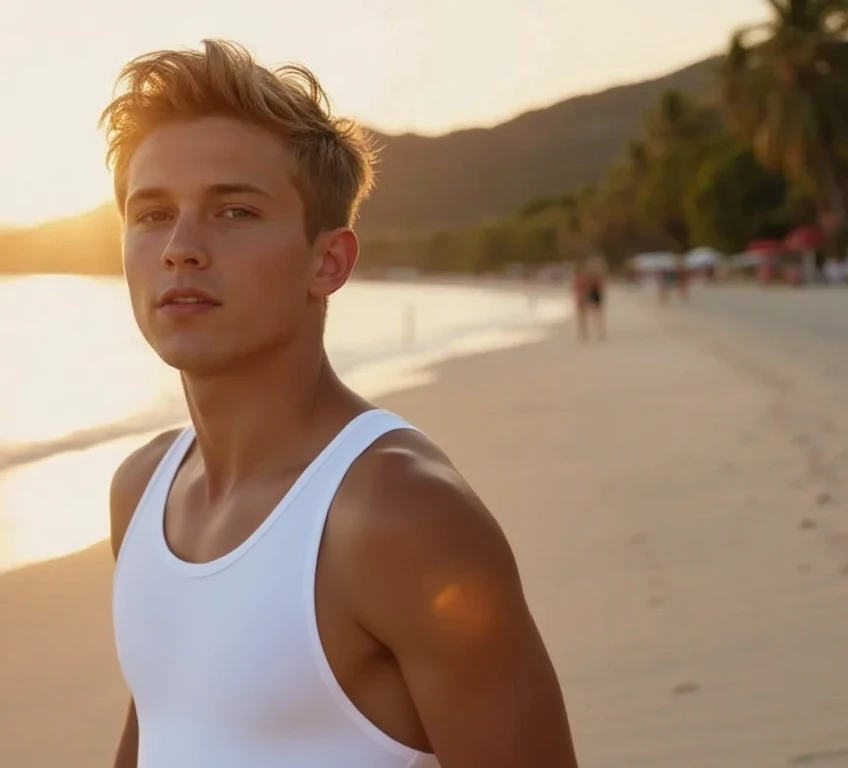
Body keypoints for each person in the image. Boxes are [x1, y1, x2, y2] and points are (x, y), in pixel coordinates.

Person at [101, 40, 578, 768]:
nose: (181, 248)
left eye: (233, 211)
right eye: (152, 214)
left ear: (329, 262)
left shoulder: (398, 515)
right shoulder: (141, 492)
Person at [572, 257, 606, 342]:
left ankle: (587, 333)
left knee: (589, 315)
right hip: (589, 294)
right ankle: (588, 333)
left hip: (589, 294)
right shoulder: (590, 276)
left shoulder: (588, 276)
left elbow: (598, 286)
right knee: (592, 315)